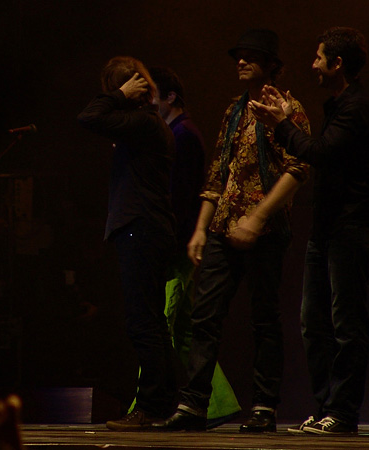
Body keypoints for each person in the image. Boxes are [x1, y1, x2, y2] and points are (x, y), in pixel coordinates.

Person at [154, 29, 310, 432]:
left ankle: (264, 406)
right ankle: (194, 404)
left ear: (271, 64)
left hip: (265, 229)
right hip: (224, 226)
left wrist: (258, 218)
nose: (241, 61)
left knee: (264, 319)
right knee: (204, 316)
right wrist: (200, 229)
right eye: (238, 55)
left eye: (250, 56)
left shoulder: (288, 108)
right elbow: (218, 173)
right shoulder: (234, 110)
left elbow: (299, 168)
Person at [249, 27, 369, 435]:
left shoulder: (356, 108)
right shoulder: (339, 106)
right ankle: (327, 407)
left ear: (337, 63)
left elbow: (319, 154)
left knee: (346, 324)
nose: (313, 65)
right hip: (327, 230)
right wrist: (285, 118)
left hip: (349, 229)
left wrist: (282, 123)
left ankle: (342, 412)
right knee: (313, 322)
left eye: (319, 57)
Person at [77, 56, 177, 430]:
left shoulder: (143, 123)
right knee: (151, 320)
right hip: (147, 227)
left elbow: (88, 117)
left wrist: (118, 95)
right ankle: (162, 404)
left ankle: (150, 407)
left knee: (143, 322)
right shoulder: (147, 124)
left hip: (141, 227)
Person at [148, 66, 242, 427]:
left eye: (152, 95)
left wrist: (174, 240)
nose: (148, 103)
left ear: (170, 97)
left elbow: (181, 195)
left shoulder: (183, 134)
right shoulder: (175, 132)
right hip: (180, 240)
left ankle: (152, 404)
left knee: (163, 322)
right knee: (181, 326)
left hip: (179, 243)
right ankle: (217, 403)